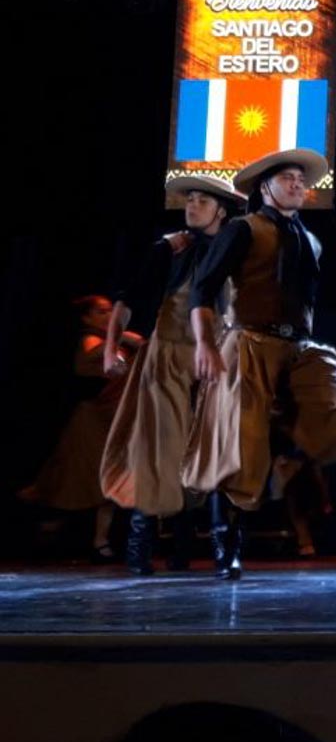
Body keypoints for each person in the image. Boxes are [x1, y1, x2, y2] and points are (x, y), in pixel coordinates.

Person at [184, 148, 336, 580]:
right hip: (250, 342)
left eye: (301, 180)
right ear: (265, 187)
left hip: (297, 346)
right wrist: (205, 344)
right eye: (287, 178)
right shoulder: (243, 229)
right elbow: (202, 290)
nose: (298, 184)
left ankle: (289, 449)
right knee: (240, 448)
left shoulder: (310, 239)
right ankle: (228, 544)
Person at [99, 174, 245, 575]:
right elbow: (127, 301)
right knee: (162, 452)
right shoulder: (170, 249)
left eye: (202, 201)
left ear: (221, 211)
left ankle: (194, 551)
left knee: (210, 456)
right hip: (168, 360)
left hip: (216, 364)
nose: (192, 206)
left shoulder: (236, 251)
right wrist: (111, 347)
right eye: (190, 199)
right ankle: (139, 550)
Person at [20, 296, 141, 563]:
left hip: (113, 421)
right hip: (91, 424)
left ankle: (100, 541)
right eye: (101, 312)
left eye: (110, 311)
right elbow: (91, 355)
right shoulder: (91, 340)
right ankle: (49, 535)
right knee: (79, 483)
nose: (108, 316)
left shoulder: (115, 340)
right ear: (86, 318)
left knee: (109, 483)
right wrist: (121, 338)